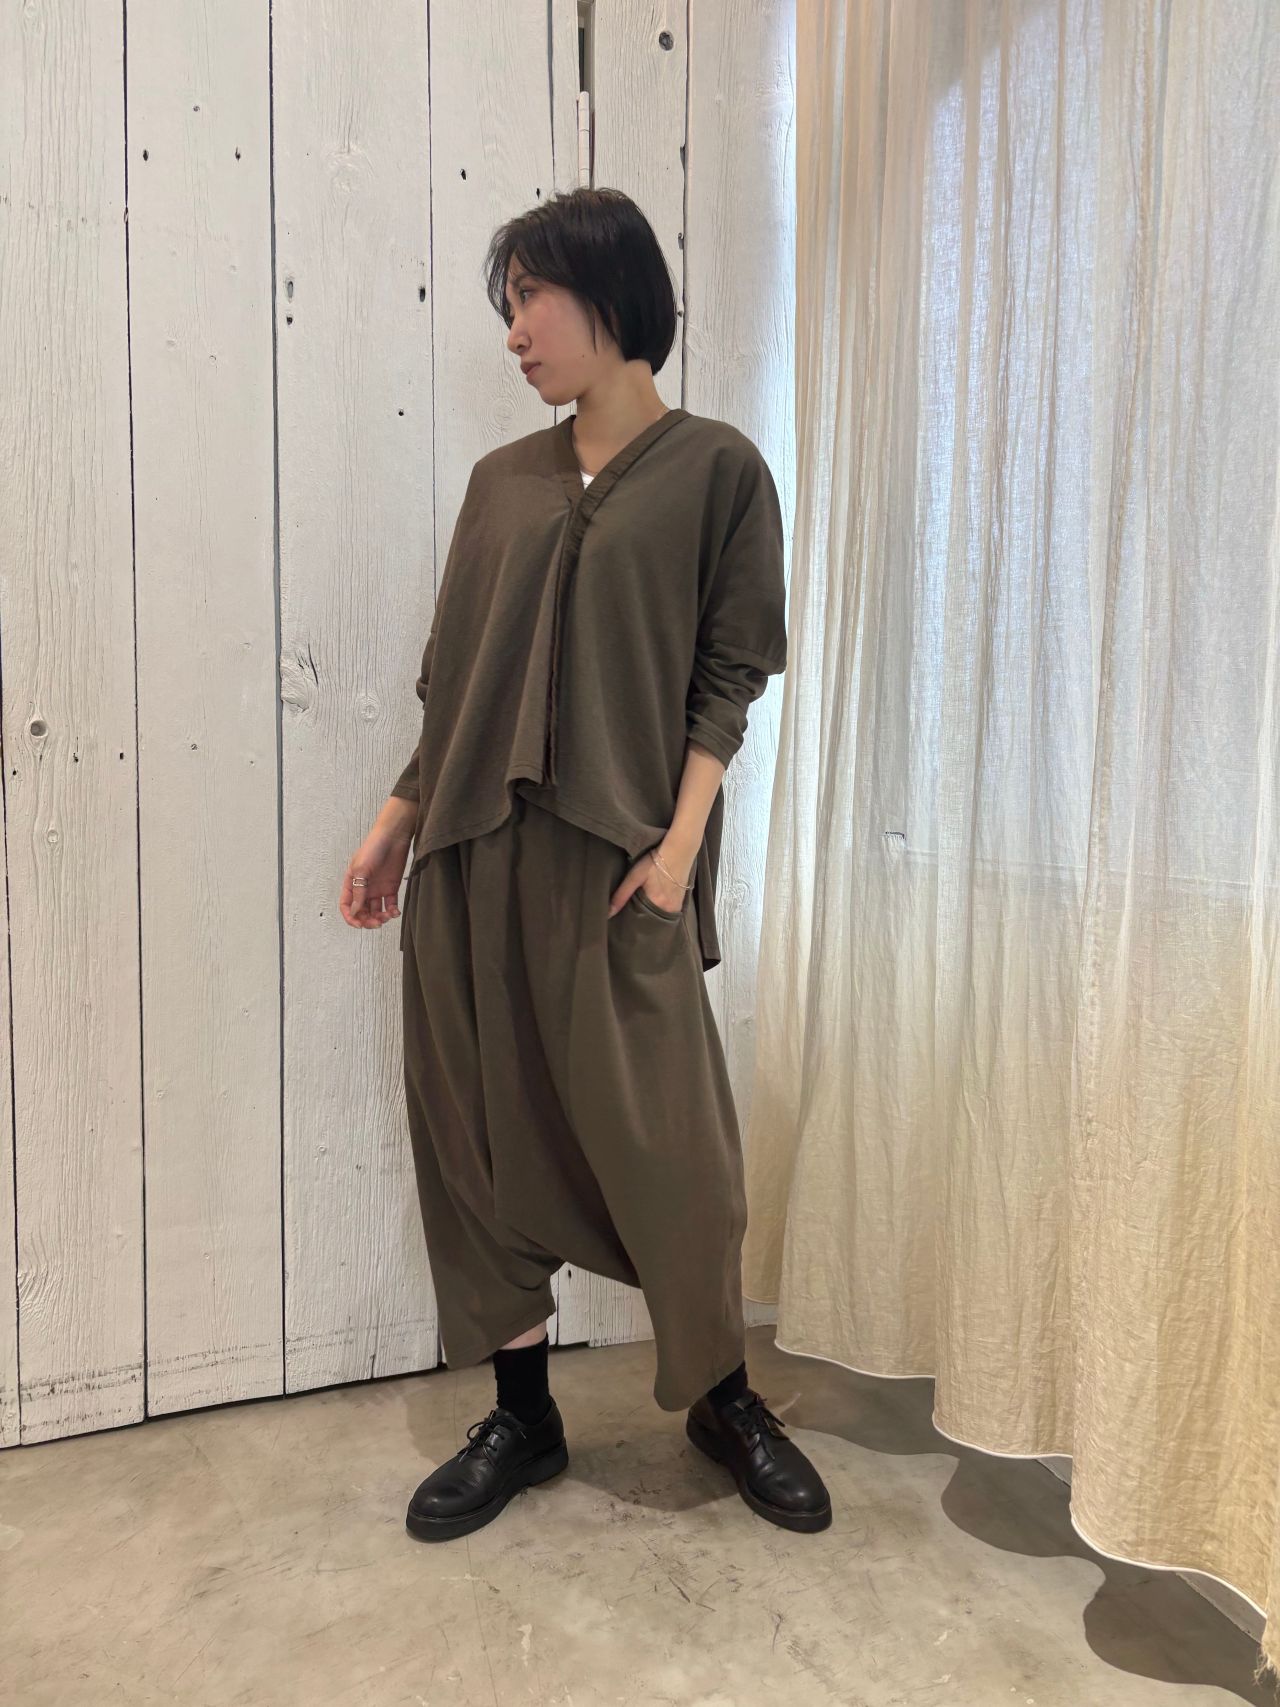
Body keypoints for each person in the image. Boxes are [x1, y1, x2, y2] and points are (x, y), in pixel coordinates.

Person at [341, 187, 831, 1542]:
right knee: (482, 1142)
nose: (513, 332)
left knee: (680, 1158)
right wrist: (395, 819)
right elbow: (456, 681)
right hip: (470, 859)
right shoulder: (500, 484)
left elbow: (731, 675)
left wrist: (676, 856)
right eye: (505, 306)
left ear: (611, 292)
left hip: (620, 872)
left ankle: (722, 1395)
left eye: (531, 299)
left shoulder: (719, 470)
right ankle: (524, 1414)